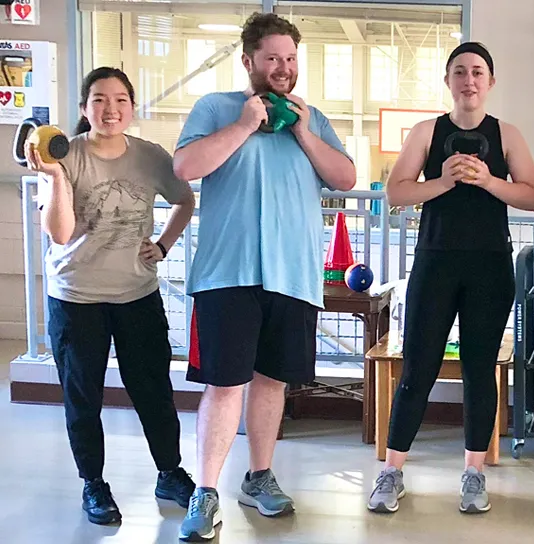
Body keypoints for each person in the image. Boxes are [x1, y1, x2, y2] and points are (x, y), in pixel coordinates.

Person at [172, 13, 355, 542]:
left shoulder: (311, 116)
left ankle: (259, 476)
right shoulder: (216, 108)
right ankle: (206, 492)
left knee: (273, 381)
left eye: (291, 59)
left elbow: (343, 177)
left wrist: (301, 130)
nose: (283, 68)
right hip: (227, 274)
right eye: (273, 58)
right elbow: (186, 168)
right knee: (225, 384)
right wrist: (245, 124)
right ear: (249, 60)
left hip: (292, 274)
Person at [367, 41, 534, 515]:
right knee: (418, 368)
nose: (469, 80)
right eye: (460, 72)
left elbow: (533, 196)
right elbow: (396, 192)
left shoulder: (507, 135)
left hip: (488, 265)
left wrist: (487, 181)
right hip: (435, 262)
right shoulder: (427, 131)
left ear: (489, 82)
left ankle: (473, 472)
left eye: (478, 72)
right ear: (448, 81)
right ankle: (391, 471)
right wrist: (443, 180)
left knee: (478, 371)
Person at [23, 66, 197, 525]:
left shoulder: (150, 157)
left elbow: (185, 199)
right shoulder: (64, 156)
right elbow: (59, 235)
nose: (110, 109)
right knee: (83, 397)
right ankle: (93, 484)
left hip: (136, 293)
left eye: (120, 99)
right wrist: (57, 179)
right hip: (76, 297)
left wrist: (161, 245)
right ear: (84, 109)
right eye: (99, 100)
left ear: (132, 108)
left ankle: (170, 472)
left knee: (154, 390)